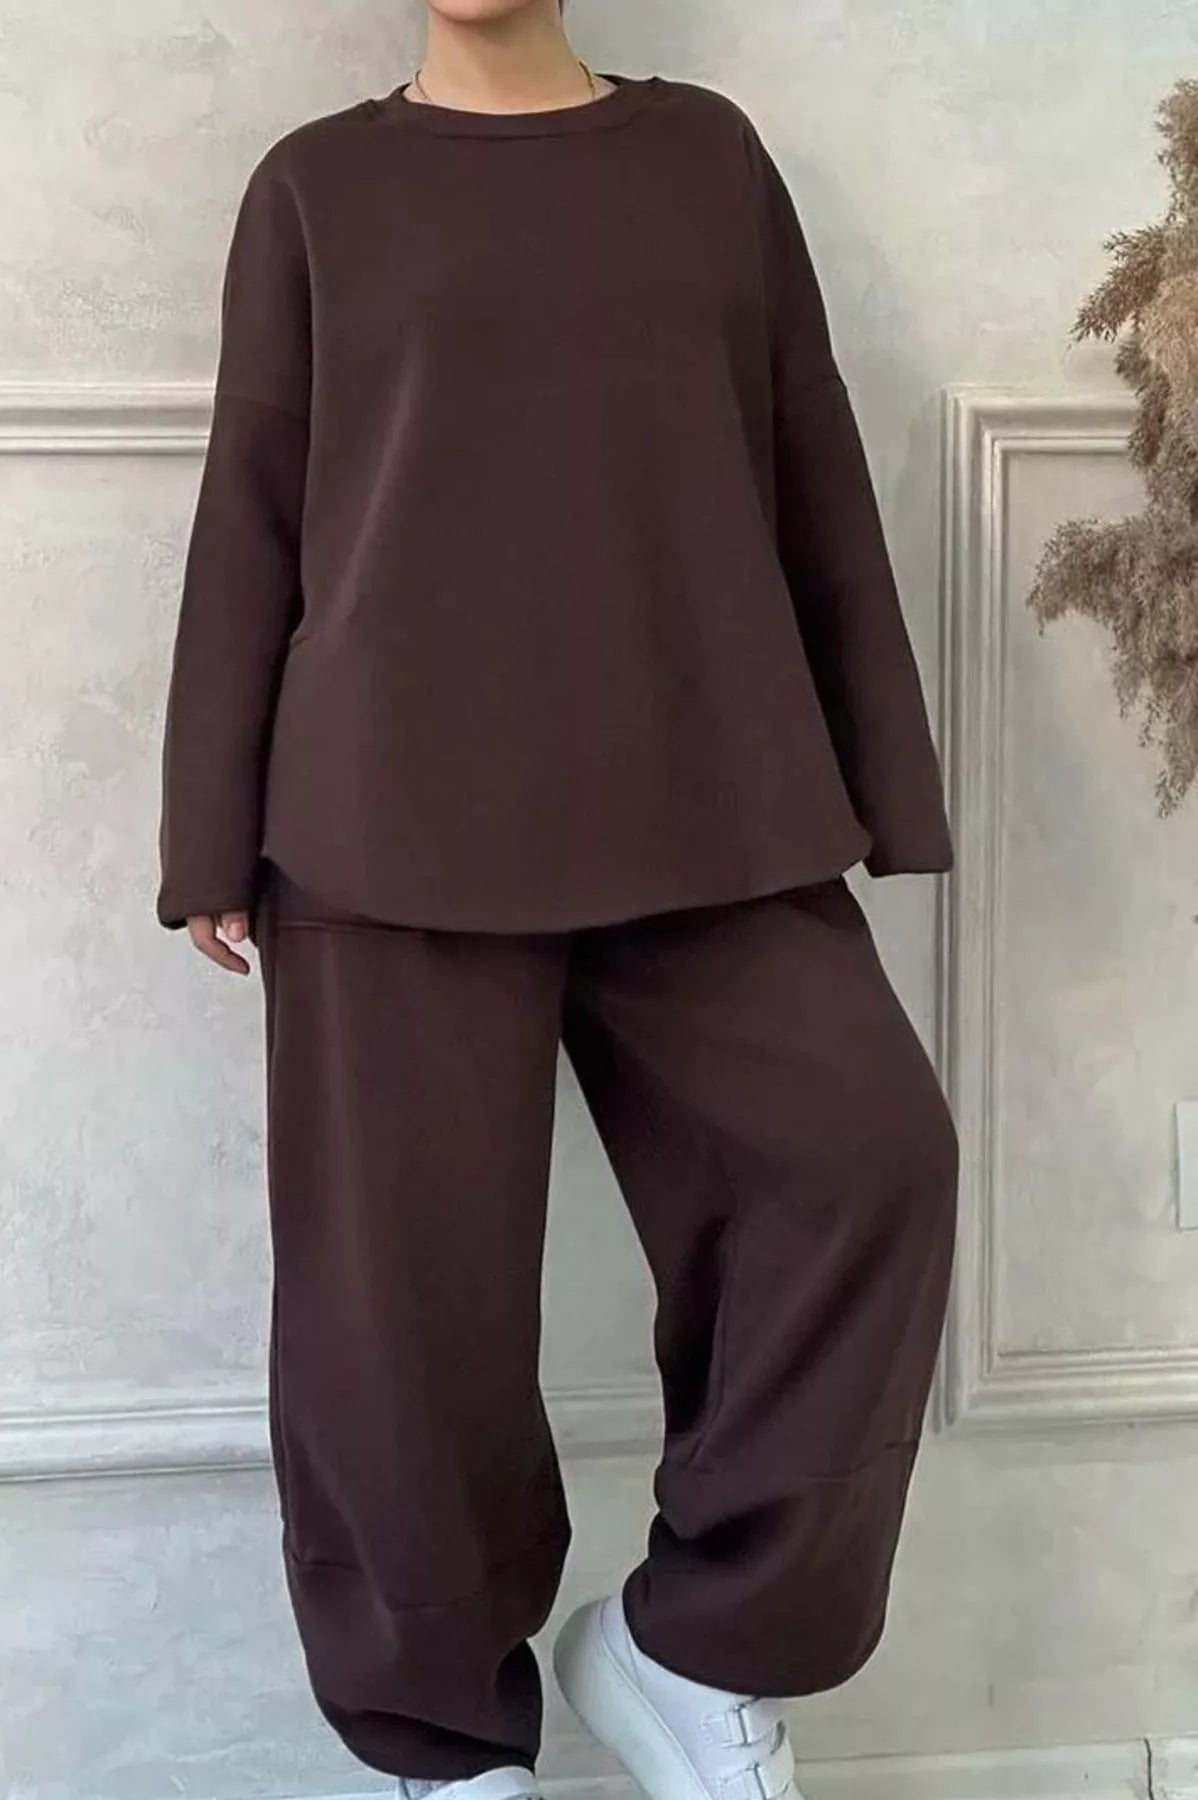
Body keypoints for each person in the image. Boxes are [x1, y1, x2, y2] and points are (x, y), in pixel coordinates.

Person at [154, 4, 961, 1800]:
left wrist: (875, 774)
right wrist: (209, 826)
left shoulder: (706, 161)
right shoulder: (317, 187)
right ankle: (445, 1751)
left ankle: (694, 1651)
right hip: (381, 821)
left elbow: (806, 460)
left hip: (708, 795)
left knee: (867, 1162)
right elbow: (254, 501)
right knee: (400, 1323)